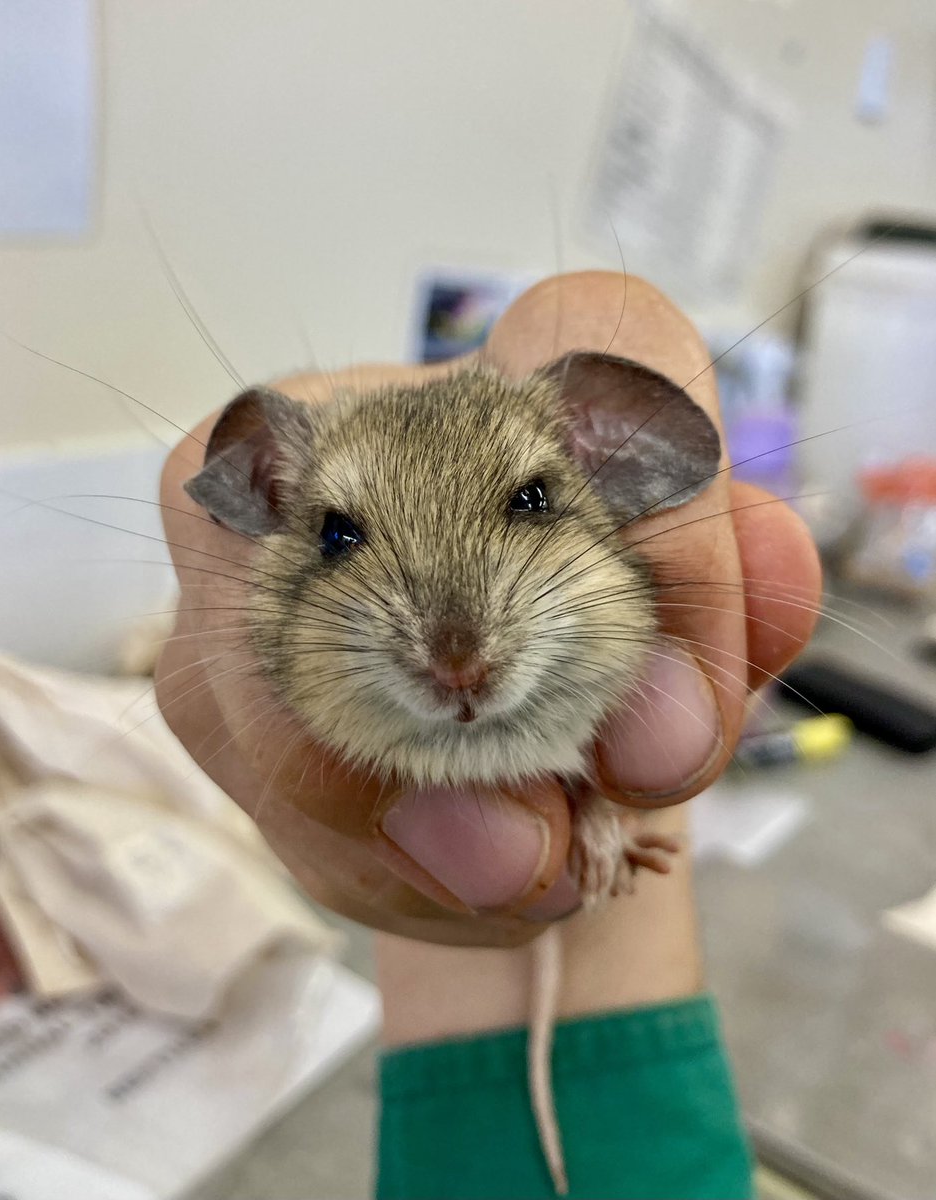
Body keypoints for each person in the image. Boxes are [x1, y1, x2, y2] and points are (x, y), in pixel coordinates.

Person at [156, 272, 821, 1199]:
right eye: (345, 537)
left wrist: (604, 811)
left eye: (528, 502)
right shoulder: (291, 629)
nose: (454, 656)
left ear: (604, 458)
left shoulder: (620, 591)